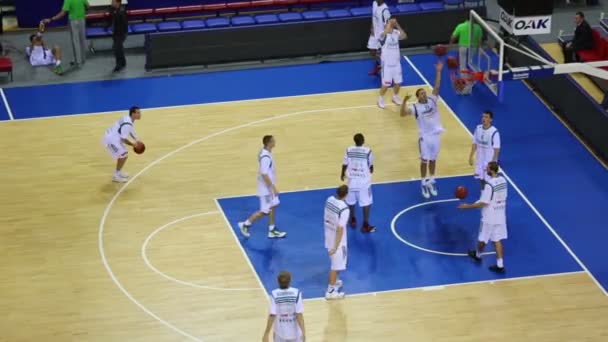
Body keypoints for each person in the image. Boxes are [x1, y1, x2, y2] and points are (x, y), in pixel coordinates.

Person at [400, 61, 445, 199]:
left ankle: (432, 180)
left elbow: (437, 86)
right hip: (425, 137)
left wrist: (438, 71)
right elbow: (402, 114)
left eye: (424, 92)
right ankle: (423, 183)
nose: (424, 95)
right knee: (424, 160)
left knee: (433, 160)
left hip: (436, 135)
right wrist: (404, 101)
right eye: (421, 94)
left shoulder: (432, 100)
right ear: (418, 97)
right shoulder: (415, 107)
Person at [458, 161, 508, 273]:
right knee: (497, 240)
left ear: (491, 170)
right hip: (500, 215)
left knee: (482, 239)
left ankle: (478, 255)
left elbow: (484, 203)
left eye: (487, 168)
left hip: (489, 217)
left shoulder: (489, 185)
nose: (486, 170)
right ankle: (500, 265)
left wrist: (467, 206)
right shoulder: (504, 181)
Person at [238, 135, 287, 239]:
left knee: (274, 204)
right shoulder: (265, 157)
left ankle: (272, 230)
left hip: (268, 187)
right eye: (273, 141)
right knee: (264, 211)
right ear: (269, 143)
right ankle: (245, 224)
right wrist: (273, 187)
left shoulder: (265, 152)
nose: (275, 142)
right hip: (266, 189)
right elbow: (264, 174)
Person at [341, 133, 375, 233]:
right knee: (366, 203)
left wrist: (342, 174)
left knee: (351, 202)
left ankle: (352, 219)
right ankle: (365, 225)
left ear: (354, 141)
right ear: (363, 141)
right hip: (363, 183)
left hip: (351, 181)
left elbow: (344, 164)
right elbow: (371, 167)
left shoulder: (349, 150)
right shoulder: (368, 151)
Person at [43, 0, 89, 68]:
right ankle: (83, 59)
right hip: (82, 19)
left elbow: (63, 13)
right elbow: (88, 6)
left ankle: (78, 62)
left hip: (73, 21)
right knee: (82, 40)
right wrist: (82, 11)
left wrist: (51, 19)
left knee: (75, 41)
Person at [101, 106, 142, 183]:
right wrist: (133, 144)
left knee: (124, 154)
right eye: (138, 113)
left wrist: (137, 139)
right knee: (123, 155)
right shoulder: (127, 124)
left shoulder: (128, 119)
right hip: (110, 140)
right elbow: (123, 139)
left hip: (114, 137)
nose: (140, 114)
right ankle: (116, 176)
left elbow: (131, 130)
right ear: (133, 114)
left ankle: (118, 172)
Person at [262, 271, 306, 342]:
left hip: (280, 334)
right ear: (290, 281)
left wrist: (266, 333)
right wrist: (303, 332)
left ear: (278, 281)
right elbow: (299, 314)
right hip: (295, 334)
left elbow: (272, 315)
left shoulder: (274, 294)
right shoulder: (297, 293)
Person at [324, 185, 349, 300]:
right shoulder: (344, 209)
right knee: (335, 265)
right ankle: (330, 291)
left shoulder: (329, 200)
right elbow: (340, 228)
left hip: (328, 234)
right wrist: (336, 246)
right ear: (346, 195)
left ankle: (335, 282)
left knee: (336, 263)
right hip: (337, 241)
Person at [377, 18, 407, 109]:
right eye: (389, 23)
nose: (391, 24)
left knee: (398, 83)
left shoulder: (396, 32)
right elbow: (385, 33)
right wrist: (390, 23)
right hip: (387, 65)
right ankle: (381, 98)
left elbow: (404, 36)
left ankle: (395, 96)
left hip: (396, 63)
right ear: (386, 24)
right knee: (386, 84)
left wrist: (397, 24)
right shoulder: (382, 34)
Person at [469, 111, 500, 188]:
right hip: (480, 160)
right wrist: (471, 156)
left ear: (491, 119)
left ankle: (491, 197)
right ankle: (483, 194)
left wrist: (493, 163)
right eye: (483, 117)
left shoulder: (494, 132)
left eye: (486, 117)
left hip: (489, 161)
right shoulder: (478, 128)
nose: (483, 119)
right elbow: (474, 143)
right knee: (481, 179)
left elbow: (497, 149)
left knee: (490, 181)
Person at [367, 0, 391, 76]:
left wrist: (384, 36)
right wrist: (372, 27)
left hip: (382, 35)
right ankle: (378, 65)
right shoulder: (374, 3)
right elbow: (373, 16)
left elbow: (388, 25)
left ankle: (388, 68)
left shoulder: (385, 10)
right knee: (372, 50)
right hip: (374, 33)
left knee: (384, 54)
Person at [109, 0, 128, 72]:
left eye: (113, 2)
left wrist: (119, 35)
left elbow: (124, 24)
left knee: (116, 48)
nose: (111, 3)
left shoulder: (121, 12)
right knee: (118, 47)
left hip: (120, 33)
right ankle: (123, 62)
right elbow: (111, 13)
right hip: (116, 33)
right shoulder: (116, 9)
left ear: (118, 3)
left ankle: (119, 65)